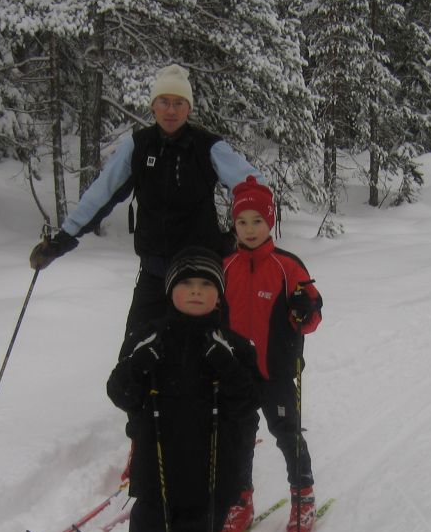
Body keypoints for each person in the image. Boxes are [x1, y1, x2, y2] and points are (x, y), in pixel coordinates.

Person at [82, 247, 260, 532]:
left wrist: (226, 367)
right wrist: (140, 366)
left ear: (218, 295)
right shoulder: (151, 338)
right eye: (186, 285)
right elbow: (119, 392)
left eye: (205, 286)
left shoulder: (234, 346)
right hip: (156, 477)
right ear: (170, 291)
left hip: (208, 479)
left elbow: (249, 403)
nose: (196, 293)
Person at [27, 64, 267, 354]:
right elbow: (101, 195)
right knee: (135, 357)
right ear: (153, 106)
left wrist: (239, 234)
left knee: (208, 361)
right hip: (154, 273)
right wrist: (62, 240)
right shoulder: (139, 147)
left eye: (179, 103)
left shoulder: (207, 146)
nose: (171, 110)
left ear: (188, 108)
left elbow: (254, 186)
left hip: (200, 275)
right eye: (164, 102)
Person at [219, 176, 323, 532]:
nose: (249, 229)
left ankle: (303, 496)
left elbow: (312, 317)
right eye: (242, 221)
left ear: (270, 222)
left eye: (257, 221)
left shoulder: (287, 266)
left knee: (286, 434)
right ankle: (240, 501)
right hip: (235, 375)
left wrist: (303, 310)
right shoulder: (226, 266)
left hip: (276, 371)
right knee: (238, 438)